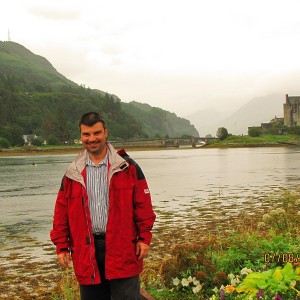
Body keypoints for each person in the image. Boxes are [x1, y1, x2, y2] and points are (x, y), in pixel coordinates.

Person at [50, 112, 156, 300]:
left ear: (106, 132)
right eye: (86, 134)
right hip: (86, 250)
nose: (92, 139)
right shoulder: (72, 173)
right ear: (81, 136)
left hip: (123, 246)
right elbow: (61, 212)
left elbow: (143, 206)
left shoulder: (128, 167)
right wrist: (62, 246)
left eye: (96, 133)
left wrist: (144, 237)